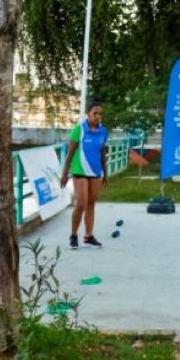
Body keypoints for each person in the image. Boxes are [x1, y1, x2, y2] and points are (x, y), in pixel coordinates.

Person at [60, 101, 108, 250]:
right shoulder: (78, 130)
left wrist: (105, 173)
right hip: (80, 171)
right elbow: (69, 154)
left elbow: (102, 154)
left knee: (91, 205)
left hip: (95, 172)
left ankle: (88, 236)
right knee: (80, 204)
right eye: (95, 113)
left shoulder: (103, 131)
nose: (98, 116)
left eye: (100, 114)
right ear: (88, 114)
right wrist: (64, 174)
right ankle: (73, 235)